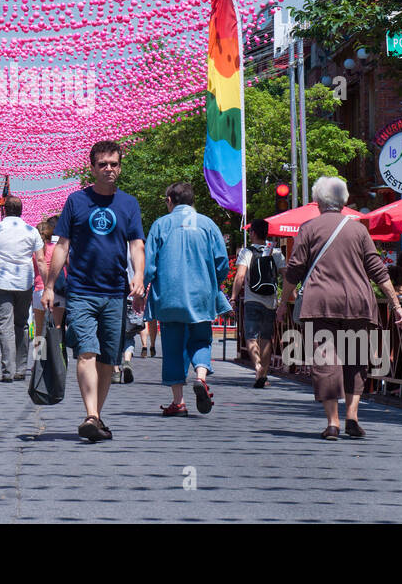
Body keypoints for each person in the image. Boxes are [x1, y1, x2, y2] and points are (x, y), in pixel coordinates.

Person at [277, 176, 402, 440]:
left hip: (320, 303)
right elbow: (377, 270)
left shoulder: (309, 229)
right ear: (344, 200)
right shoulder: (358, 230)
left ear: (317, 201)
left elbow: (295, 269)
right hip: (358, 303)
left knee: (326, 361)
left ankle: (333, 422)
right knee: (357, 359)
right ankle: (353, 416)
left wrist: (283, 303)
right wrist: (396, 306)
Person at [42, 140, 144, 443]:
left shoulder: (129, 204)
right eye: (103, 164)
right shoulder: (76, 201)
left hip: (114, 293)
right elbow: (62, 246)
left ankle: (95, 416)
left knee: (108, 360)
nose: (108, 169)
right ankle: (90, 415)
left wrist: (138, 275)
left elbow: (136, 243)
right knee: (86, 351)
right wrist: (49, 285)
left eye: (114, 164)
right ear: (92, 168)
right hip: (81, 291)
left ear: (120, 167)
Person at [142, 182, 231, 416]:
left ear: (170, 200)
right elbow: (222, 262)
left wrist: (141, 289)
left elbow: (149, 264)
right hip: (202, 294)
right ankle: (201, 376)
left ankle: (178, 402)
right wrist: (214, 283)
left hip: (169, 296)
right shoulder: (208, 224)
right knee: (201, 339)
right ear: (192, 201)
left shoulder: (160, 225)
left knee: (172, 346)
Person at [0, 197, 45, 382]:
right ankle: (21, 369)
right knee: (22, 324)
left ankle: (8, 370)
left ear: (4, 210)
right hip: (24, 283)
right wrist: (47, 286)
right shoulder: (31, 231)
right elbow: (40, 260)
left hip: (1, 283)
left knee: (5, 326)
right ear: (21, 210)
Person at [232, 218, 286, 389]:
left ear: (253, 233)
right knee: (266, 338)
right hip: (270, 301)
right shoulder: (275, 252)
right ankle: (262, 375)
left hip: (252, 299)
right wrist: (286, 299)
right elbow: (286, 275)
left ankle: (257, 366)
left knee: (251, 336)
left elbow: (240, 276)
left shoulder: (246, 252)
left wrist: (233, 297)